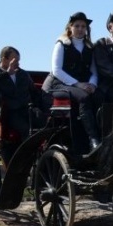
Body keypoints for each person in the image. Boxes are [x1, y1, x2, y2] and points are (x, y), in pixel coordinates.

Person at [0, 46, 49, 165]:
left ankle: (46, 155)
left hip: (27, 108)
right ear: (4, 59)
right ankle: (28, 161)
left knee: (46, 123)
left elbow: (34, 92)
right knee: (26, 130)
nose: (17, 63)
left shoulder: (23, 74)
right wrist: (6, 74)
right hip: (9, 112)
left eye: (18, 60)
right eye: (14, 60)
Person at [43, 12, 101, 152]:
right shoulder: (62, 44)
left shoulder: (89, 47)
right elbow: (56, 70)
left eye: (83, 26)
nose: (80, 29)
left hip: (81, 85)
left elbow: (94, 71)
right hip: (59, 84)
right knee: (84, 97)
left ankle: (104, 135)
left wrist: (93, 84)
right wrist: (78, 84)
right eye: (77, 26)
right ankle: (93, 139)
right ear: (70, 27)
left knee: (100, 97)